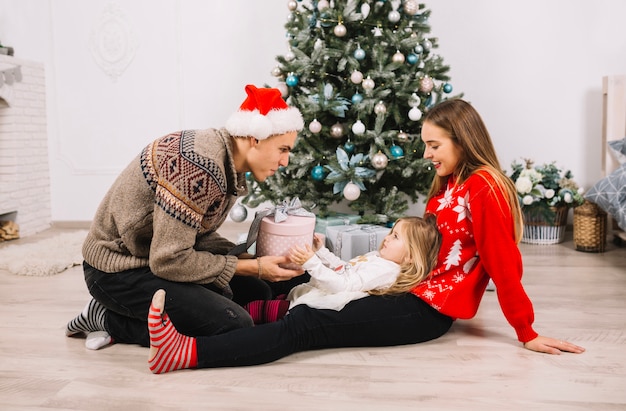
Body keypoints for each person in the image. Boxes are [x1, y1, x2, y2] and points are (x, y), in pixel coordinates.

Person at [145, 98, 586, 374]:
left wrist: (525, 330)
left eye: (434, 145)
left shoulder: (484, 186)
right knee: (294, 287)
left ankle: (188, 353)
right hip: (402, 288)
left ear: (463, 140)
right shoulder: (451, 183)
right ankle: (155, 322)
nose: (427, 154)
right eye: (425, 145)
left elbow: (501, 260)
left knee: (304, 324)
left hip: (423, 309)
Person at [65, 84, 305, 350]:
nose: (285, 161)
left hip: (150, 257)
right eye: (283, 149)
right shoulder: (200, 167)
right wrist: (255, 267)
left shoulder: (225, 161)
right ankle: (106, 317)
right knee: (232, 324)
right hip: (117, 269)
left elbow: (192, 234)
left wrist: (253, 261)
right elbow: (168, 260)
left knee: (258, 290)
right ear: (255, 138)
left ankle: (135, 310)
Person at [244, 216, 441, 324]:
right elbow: (344, 268)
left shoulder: (386, 271)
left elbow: (344, 284)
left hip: (320, 301)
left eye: (396, 237)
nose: (387, 238)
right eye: (391, 232)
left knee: (258, 310)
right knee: (270, 300)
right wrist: (321, 251)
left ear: (410, 256)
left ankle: (240, 321)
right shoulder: (379, 257)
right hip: (314, 291)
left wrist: (312, 262)